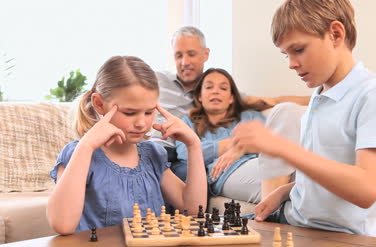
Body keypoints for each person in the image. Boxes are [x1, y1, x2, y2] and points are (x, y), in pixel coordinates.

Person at [232, 0, 376, 237]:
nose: (292, 64)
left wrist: (282, 148)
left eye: (299, 50)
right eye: (286, 55)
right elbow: (327, 171)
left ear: (335, 34)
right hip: (295, 221)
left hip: (341, 237)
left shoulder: (373, 93)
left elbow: (366, 189)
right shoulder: (320, 95)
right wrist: (284, 191)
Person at [46, 56, 206, 234]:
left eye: (149, 112)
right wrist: (86, 146)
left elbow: (194, 210)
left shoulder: (152, 154)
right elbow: (62, 225)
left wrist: (194, 145)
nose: (141, 123)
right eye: (130, 113)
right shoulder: (78, 154)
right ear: (99, 104)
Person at [151, 26, 310, 163]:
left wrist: (317, 97)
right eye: (179, 55)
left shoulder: (215, 92)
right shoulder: (158, 80)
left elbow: (272, 101)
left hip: (186, 156)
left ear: (205, 54)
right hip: (158, 148)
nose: (185, 62)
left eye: (191, 54)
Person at [174, 68, 265, 203]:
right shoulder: (188, 122)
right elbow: (184, 153)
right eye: (209, 87)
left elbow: (273, 141)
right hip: (226, 172)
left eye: (223, 88)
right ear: (199, 96)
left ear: (231, 98)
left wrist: (239, 148)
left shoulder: (250, 116)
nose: (215, 91)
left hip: (263, 162)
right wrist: (232, 144)